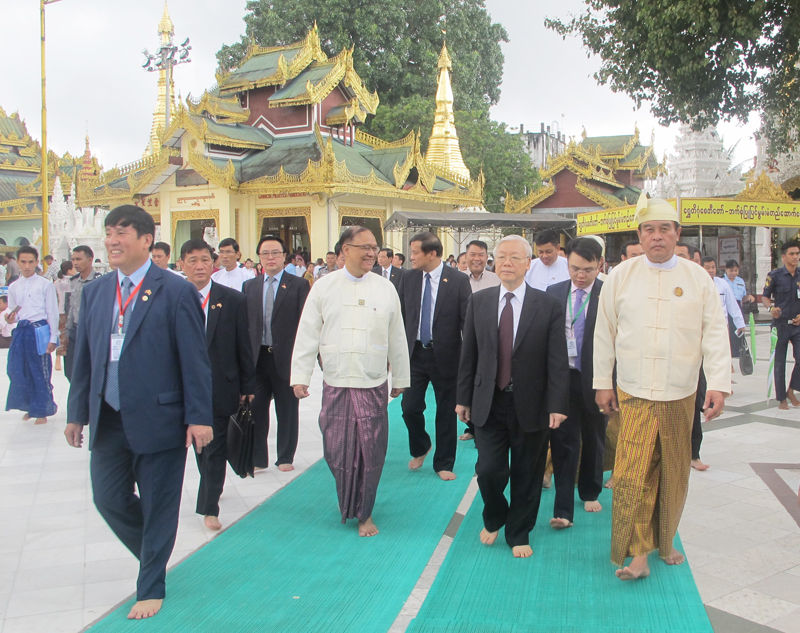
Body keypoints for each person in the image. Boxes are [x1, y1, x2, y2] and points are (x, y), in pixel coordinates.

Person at [64, 205, 213, 620]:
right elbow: (86, 359)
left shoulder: (175, 290)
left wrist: (199, 416)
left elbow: (194, 360)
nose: (112, 239)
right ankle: (154, 552)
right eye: (109, 232)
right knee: (108, 498)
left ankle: (150, 585)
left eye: (122, 232)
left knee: (159, 503)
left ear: (147, 239)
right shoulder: (94, 292)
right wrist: (77, 413)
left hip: (160, 417)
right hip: (109, 416)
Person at [593, 194, 730, 581]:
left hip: (680, 392)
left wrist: (718, 383)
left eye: (664, 229)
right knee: (633, 474)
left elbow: (715, 334)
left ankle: (664, 542)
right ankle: (637, 554)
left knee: (672, 473)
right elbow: (604, 334)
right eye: (649, 230)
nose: (657, 237)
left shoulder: (697, 278)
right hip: (633, 392)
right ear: (639, 234)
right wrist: (603, 383)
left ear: (676, 234)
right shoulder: (621, 276)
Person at [291, 225, 409, 537]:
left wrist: (401, 376)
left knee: (371, 451)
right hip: (336, 380)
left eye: (375, 247)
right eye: (364, 247)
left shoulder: (385, 289)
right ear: (345, 250)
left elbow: (397, 336)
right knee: (336, 449)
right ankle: (348, 498)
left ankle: (364, 512)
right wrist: (300, 376)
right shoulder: (324, 286)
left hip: (371, 382)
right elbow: (307, 333)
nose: (372, 252)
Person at [457, 235, 569, 557]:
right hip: (488, 402)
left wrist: (557, 404)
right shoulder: (479, 302)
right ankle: (494, 515)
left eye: (515, 258)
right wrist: (462, 398)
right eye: (501, 257)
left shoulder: (547, 305)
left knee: (527, 473)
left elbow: (557, 360)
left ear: (528, 263)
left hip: (531, 403)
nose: (507, 262)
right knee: (489, 469)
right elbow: (470, 356)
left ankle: (519, 531)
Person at [180, 239, 255, 531]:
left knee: (214, 447)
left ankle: (210, 506)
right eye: (192, 260)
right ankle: (210, 487)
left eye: (204, 260)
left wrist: (247, 384)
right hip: (181, 388)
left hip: (219, 385)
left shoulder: (232, 299)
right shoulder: (173, 297)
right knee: (200, 450)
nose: (199, 266)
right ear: (182, 265)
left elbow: (243, 345)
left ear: (212, 264)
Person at [398, 231, 471, 480]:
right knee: (409, 408)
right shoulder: (408, 278)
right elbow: (400, 317)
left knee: (446, 412)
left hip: (447, 356)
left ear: (432, 253)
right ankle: (421, 446)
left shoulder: (458, 280)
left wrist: (469, 359)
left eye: (415, 252)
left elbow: (466, 322)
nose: (411, 257)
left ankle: (444, 463)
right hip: (415, 354)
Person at [546, 238, 607, 529]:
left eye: (588, 269)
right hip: (564, 378)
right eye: (575, 268)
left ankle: (590, 490)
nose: (580, 275)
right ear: (566, 262)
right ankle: (562, 509)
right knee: (563, 441)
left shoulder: (608, 295)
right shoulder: (554, 292)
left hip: (597, 379)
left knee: (594, 436)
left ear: (600, 266)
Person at [243, 236, 309, 471]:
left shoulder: (298, 285)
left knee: (287, 409)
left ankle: (285, 457)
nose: (270, 258)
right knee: (257, 409)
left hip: (285, 357)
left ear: (284, 256)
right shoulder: (249, 286)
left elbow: (305, 324)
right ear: (259, 258)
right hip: (257, 358)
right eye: (265, 254)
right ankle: (258, 458)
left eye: (275, 253)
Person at [5, 246, 59, 424]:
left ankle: (41, 409)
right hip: (21, 331)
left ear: (37, 262)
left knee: (39, 371)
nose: (27, 266)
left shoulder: (45, 284)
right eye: (23, 262)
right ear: (17, 262)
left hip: (39, 331)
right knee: (18, 369)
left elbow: (52, 312)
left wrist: (53, 338)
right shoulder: (13, 286)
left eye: (30, 262)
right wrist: (10, 318)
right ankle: (28, 406)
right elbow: (14, 314)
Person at [674, 243, 715, 472]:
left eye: (683, 256)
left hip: (693, 360)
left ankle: (693, 453)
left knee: (695, 405)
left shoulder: (700, 285)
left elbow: (714, 327)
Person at [460, 239, 501, 442]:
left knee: (484, 383)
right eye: (473, 254)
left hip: (489, 343)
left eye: (481, 255)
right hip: (464, 342)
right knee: (467, 381)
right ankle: (472, 426)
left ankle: (481, 426)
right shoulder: (458, 279)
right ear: (465, 256)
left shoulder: (497, 279)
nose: (477, 259)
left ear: (487, 257)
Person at [762, 241, 800, 410]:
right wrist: (771, 309)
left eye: (798, 254)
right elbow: (765, 297)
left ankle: (791, 389)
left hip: (797, 326)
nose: (796, 257)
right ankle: (781, 399)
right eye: (792, 254)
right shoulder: (775, 275)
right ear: (784, 257)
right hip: (780, 325)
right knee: (780, 363)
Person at [64, 246, 101, 382]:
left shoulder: (100, 281)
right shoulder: (73, 282)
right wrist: (67, 333)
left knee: (90, 372)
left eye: (79, 259)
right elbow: (69, 308)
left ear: (90, 260)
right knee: (70, 371)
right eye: (73, 259)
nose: (75, 263)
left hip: (91, 332)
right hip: (74, 331)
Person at [54, 261, 75, 370]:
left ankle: (58, 359)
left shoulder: (57, 282)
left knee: (61, 335)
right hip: (70, 312)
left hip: (59, 311)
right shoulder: (72, 281)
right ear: (69, 270)